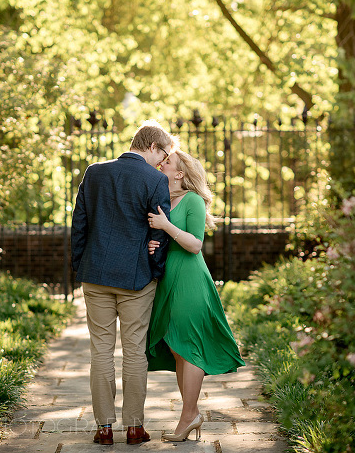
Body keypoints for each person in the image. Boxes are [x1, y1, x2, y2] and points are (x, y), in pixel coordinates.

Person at [71, 121, 175, 446]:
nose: (163, 161)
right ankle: (134, 427)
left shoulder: (94, 172)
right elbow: (160, 234)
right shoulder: (156, 180)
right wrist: (154, 271)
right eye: (164, 153)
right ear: (152, 146)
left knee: (100, 351)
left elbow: (79, 225)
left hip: (96, 274)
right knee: (134, 352)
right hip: (137, 279)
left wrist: (81, 266)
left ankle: (103, 428)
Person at [146, 149, 245, 442]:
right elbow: (169, 240)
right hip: (169, 279)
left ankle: (189, 416)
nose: (162, 164)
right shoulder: (167, 200)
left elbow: (194, 244)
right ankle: (191, 413)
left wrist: (165, 226)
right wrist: (155, 244)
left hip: (190, 280)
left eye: (168, 163)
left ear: (180, 174)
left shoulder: (192, 200)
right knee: (177, 346)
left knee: (188, 345)